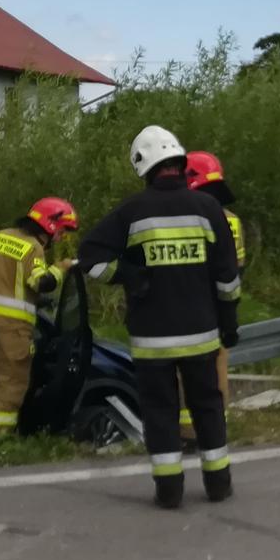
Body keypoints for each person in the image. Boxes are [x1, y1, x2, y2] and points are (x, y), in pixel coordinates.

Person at [79, 125, 242, 509]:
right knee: (207, 406)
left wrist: (129, 275)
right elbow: (227, 277)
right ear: (179, 162)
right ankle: (218, 483)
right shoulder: (209, 210)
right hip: (201, 333)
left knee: (160, 411)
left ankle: (169, 491)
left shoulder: (130, 213)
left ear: (143, 166)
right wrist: (229, 322)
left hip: (151, 339)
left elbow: (90, 259)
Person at [0, 198, 78, 437]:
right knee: (12, 383)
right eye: (63, 230)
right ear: (51, 224)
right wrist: (61, 268)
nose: (62, 237)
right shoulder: (32, 247)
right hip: (12, 328)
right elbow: (41, 282)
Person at [178, 151, 246, 446]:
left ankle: (185, 429)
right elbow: (236, 269)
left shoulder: (178, 217)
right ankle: (217, 427)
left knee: (181, 368)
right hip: (218, 306)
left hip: (181, 304)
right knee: (216, 366)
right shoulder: (232, 220)